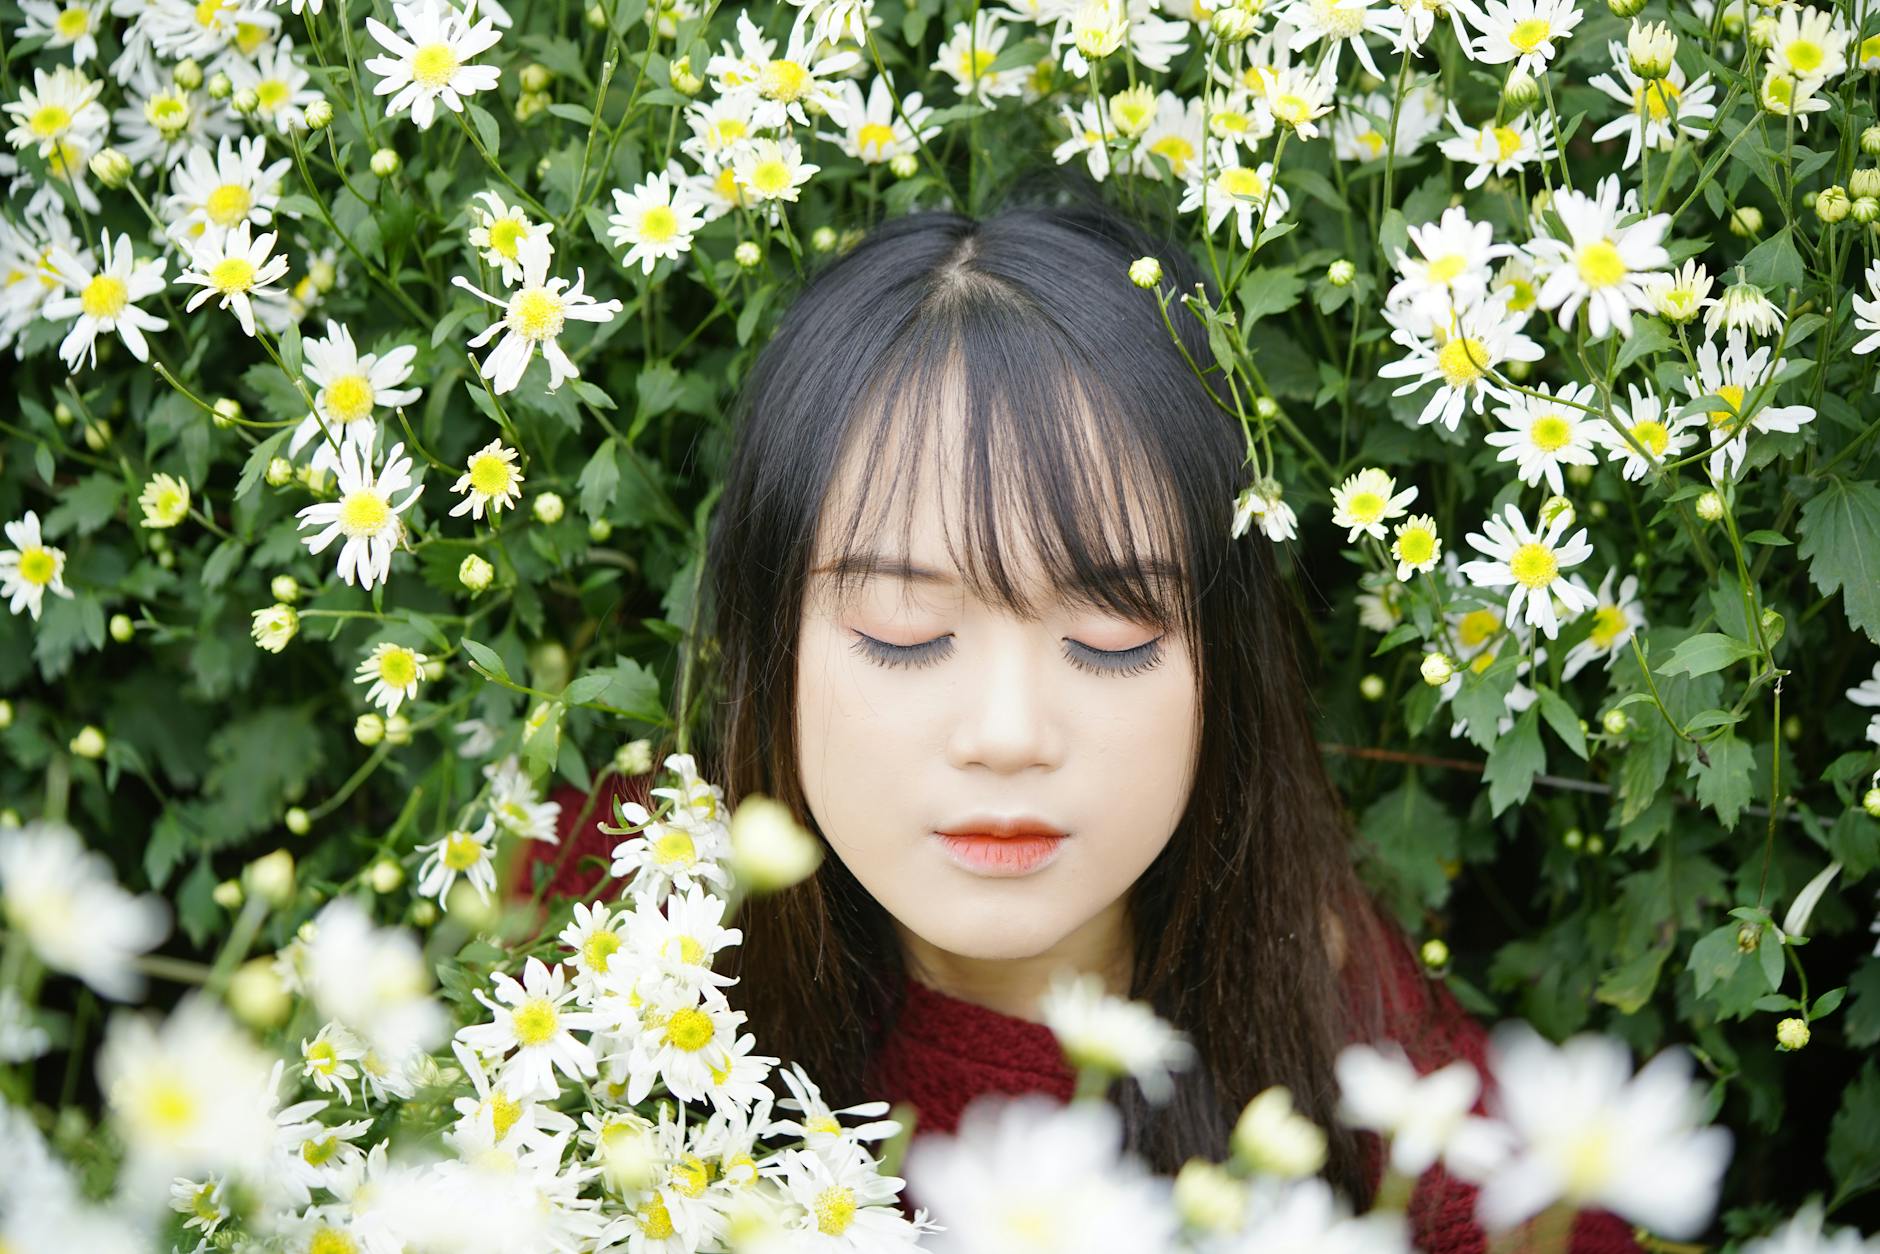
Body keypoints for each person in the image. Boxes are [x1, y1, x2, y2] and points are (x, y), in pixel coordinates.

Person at [539, 173, 1642, 1250]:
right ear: (770, 642)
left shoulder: (1333, 1011)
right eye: (904, 628)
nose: (1009, 734)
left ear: (1225, 663)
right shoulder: (604, 936)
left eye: (1107, 632)